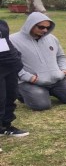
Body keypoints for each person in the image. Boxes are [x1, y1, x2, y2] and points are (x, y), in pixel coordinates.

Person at [11, 12, 66, 111]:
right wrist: (28, 77)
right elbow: (11, 64)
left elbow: (61, 56)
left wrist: (63, 69)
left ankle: (44, 92)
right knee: (42, 106)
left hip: (56, 80)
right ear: (30, 25)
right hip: (30, 81)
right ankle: (21, 93)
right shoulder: (12, 40)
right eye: (41, 27)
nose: (45, 30)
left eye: (48, 28)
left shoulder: (52, 38)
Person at [0, 19, 29, 151]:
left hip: (10, 66)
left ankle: (5, 126)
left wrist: (16, 58)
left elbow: (5, 42)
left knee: (10, 96)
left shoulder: (2, 23)